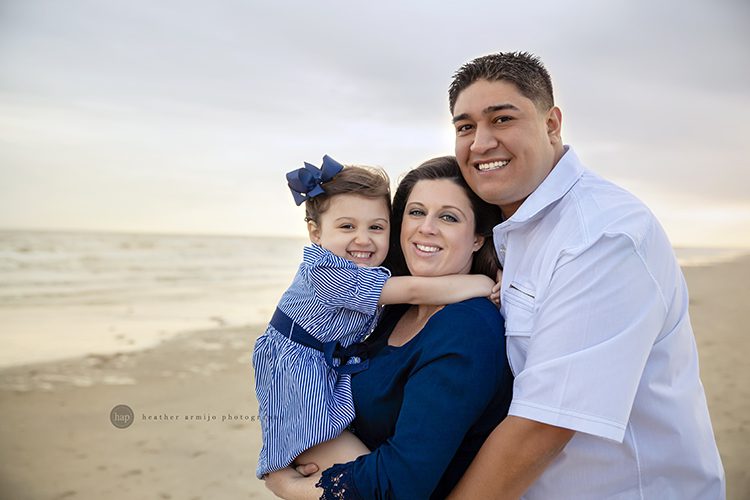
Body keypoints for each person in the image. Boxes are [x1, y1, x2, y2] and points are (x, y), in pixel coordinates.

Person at [446, 52, 725, 499]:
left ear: (552, 124)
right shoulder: (512, 229)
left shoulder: (600, 235)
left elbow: (543, 424)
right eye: (465, 127)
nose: (480, 142)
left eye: (501, 119)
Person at [264, 156, 513, 499]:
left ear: (477, 238)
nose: (426, 227)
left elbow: (402, 484)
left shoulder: (466, 329)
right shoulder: (395, 308)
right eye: (415, 212)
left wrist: (293, 489)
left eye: (448, 217)